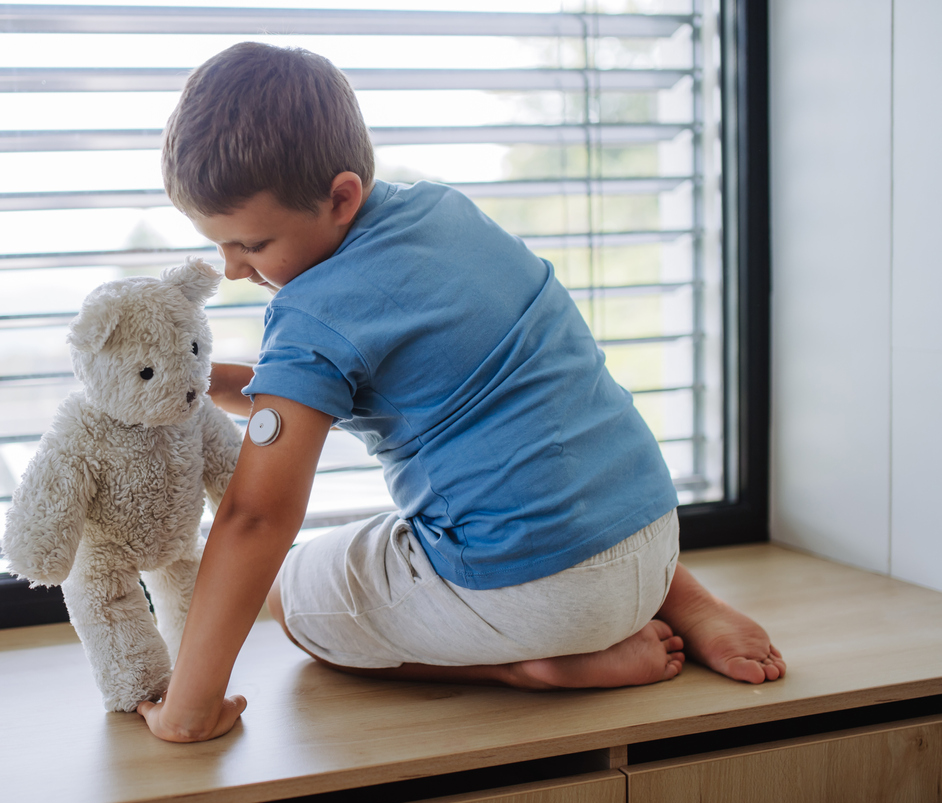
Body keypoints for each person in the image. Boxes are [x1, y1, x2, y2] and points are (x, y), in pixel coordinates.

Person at [136, 42, 784, 743]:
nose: (233, 270)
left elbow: (256, 519)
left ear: (340, 197)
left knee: (295, 602)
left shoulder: (311, 312)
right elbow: (306, 388)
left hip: (540, 596)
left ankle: (525, 670)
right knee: (554, 476)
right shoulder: (445, 215)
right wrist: (196, 386)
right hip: (650, 533)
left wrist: (190, 709)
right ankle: (689, 603)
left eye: (253, 246)